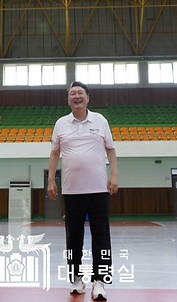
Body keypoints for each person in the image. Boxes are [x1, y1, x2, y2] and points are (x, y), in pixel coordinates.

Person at [47, 82, 118, 302]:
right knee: (73, 237)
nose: (77, 96)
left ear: (88, 97)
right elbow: (54, 153)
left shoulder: (100, 120)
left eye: (80, 93)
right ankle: (76, 278)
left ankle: (100, 281)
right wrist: (51, 180)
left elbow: (111, 149)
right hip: (72, 191)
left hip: (98, 189)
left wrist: (114, 175)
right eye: (72, 94)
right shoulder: (61, 124)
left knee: (101, 236)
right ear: (68, 100)